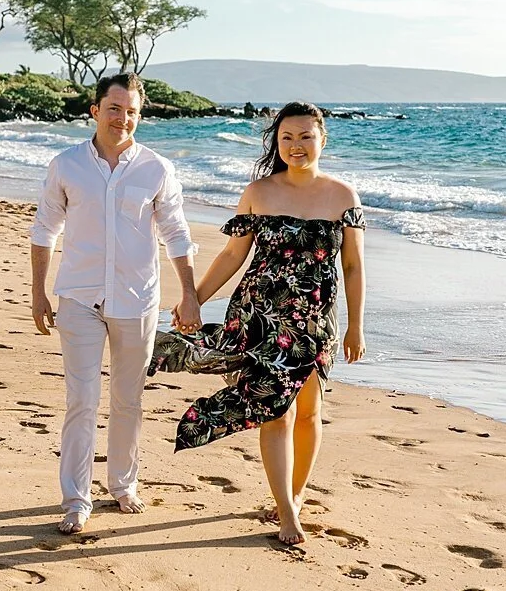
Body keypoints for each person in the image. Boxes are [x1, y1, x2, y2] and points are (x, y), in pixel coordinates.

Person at [150, 101, 365, 546]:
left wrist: (355, 327)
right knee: (277, 413)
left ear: (323, 139)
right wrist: (193, 297)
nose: (296, 146)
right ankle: (286, 511)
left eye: (306, 136)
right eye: (287, 137)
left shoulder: (343, 196)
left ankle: (297, 492)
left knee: (309, 412)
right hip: (261, 318)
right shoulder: (259, 192)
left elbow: (354, 267)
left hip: (316, 321)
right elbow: (233, 254)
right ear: (277, 142)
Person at [29, 73, 203, 535]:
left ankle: (123, 485)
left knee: (129, 401)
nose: (122, 118)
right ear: (95, 110)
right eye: (114, 108)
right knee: (81, 401)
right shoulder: (66, 165)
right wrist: (38, 292)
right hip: (78, 297)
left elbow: (176, 234)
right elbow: (45, 229)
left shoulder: (157, 169)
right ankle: (75, 499)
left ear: (139, 117)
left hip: (137, 300)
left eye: (131, 112)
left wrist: (188, 293)